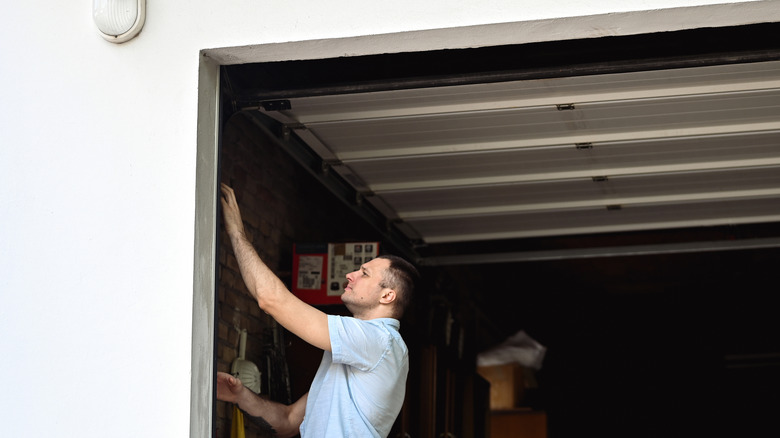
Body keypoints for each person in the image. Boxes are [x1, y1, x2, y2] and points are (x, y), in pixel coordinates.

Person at [217, 183, 418, 438]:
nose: (350, 274)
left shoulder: (378, 340)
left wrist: (236, 232)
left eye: (364, 273)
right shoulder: (352, 358)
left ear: (387, 295)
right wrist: (240, 395)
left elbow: (271, 299)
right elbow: (288, 421)